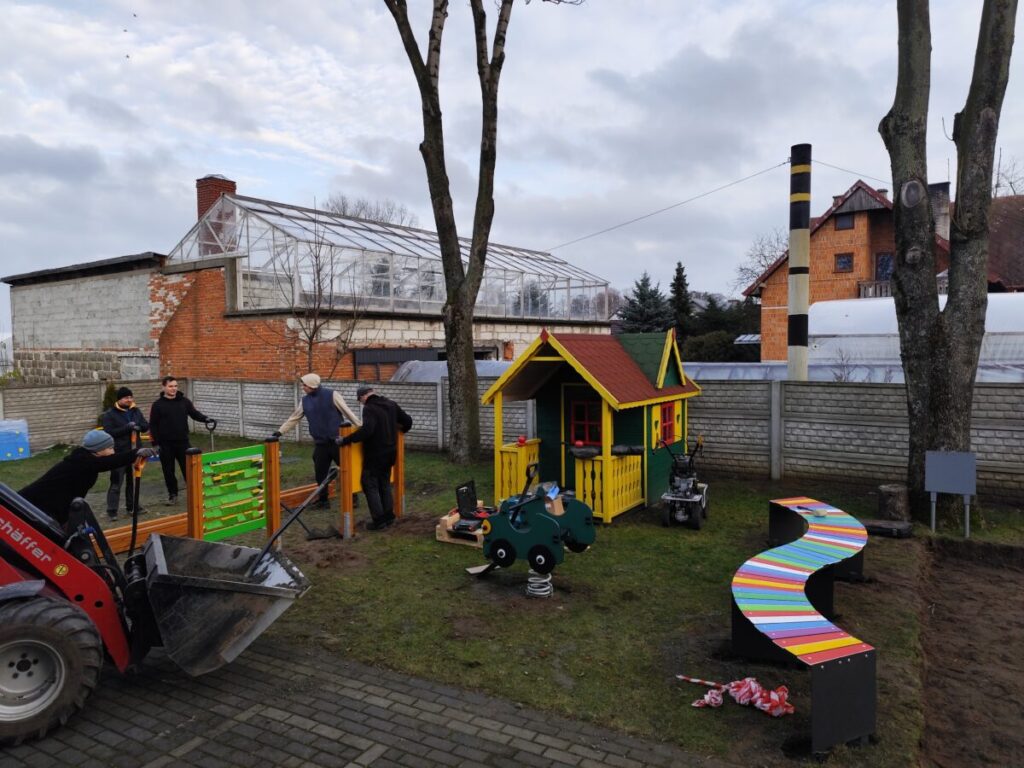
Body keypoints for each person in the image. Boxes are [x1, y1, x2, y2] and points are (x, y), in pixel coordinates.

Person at [19, 429, 156, 526]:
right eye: (110, 448)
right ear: (98, 449)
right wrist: (135, 453)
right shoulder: (83, 462)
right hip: (32, 504)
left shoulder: (86, 459)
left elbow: (110, 459)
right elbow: (109, 462)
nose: (113, 451)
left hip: (56, 506)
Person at [273, 373, 360, 509]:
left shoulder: (332, 395)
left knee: (347, 470)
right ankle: (323, 500)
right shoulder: (305, 401)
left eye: (305, 385)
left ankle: (353, 497)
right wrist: (280, 432)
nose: (303, 387)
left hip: (338, 441)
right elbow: (294, 418)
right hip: (321, 443)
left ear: (312, 385)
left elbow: (348, 412)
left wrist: (361, 427)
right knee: (320, 473)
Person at [338, 385, 412, 530]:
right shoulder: (391, 404)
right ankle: (389, 516)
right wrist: (400, 430)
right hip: (391, 452)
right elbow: (408, 421)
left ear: (364, 396)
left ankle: (378, 521)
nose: (362, 403)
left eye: (360, 400)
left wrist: (345, 440)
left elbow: (367, 430)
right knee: (384, 483)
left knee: (369, 484)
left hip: (375, 454)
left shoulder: (369, 408)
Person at [149, 376, 214, 504]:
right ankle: (173, 495)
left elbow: (194, 413)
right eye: (170, 386)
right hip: (165, 444)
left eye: (175, 386)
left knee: (189, 469)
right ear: (164, 387)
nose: (173, 389)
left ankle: (195, 494)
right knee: (168, 471)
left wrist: (206, 418)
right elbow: (153, 425)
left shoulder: (184, 402)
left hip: (183, 442)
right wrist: (155, 443)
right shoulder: (157, 405)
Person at [100, 386, 150, 520]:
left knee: (132, 481)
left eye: (130, 397)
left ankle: (132, 507)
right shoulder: (110, 414)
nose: (129, 399)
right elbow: (108, 432)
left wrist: (141, 427)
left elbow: (145, 425)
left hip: (135, 452)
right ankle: (112, 511)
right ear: (119, 399)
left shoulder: (135, 411)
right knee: (116, 482)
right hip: (119, 453)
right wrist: (126, 428)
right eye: (126, 397)